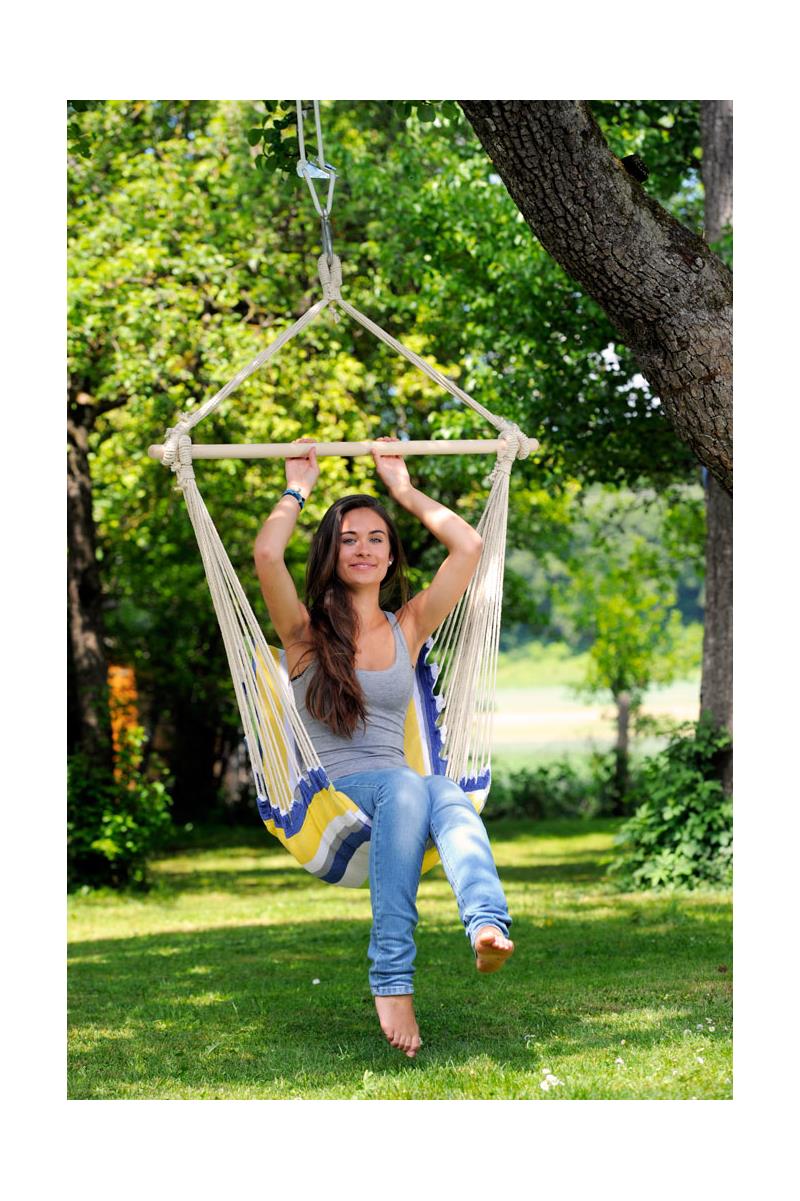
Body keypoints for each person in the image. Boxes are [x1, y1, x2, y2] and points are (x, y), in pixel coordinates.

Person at [253, 436, 514, 1058]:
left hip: (404, 795)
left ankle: (486, 924)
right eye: (348, 539)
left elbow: (469, 546)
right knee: (409, 784)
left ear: (392, 555)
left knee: (444, 789)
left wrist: (400, 486)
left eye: (376, 537)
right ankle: (391, 975)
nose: (363, 549)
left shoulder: (409, 624)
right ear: (330, 553)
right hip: (338, 797)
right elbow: (266, 553)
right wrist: (298, 488)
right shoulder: (304, 634)